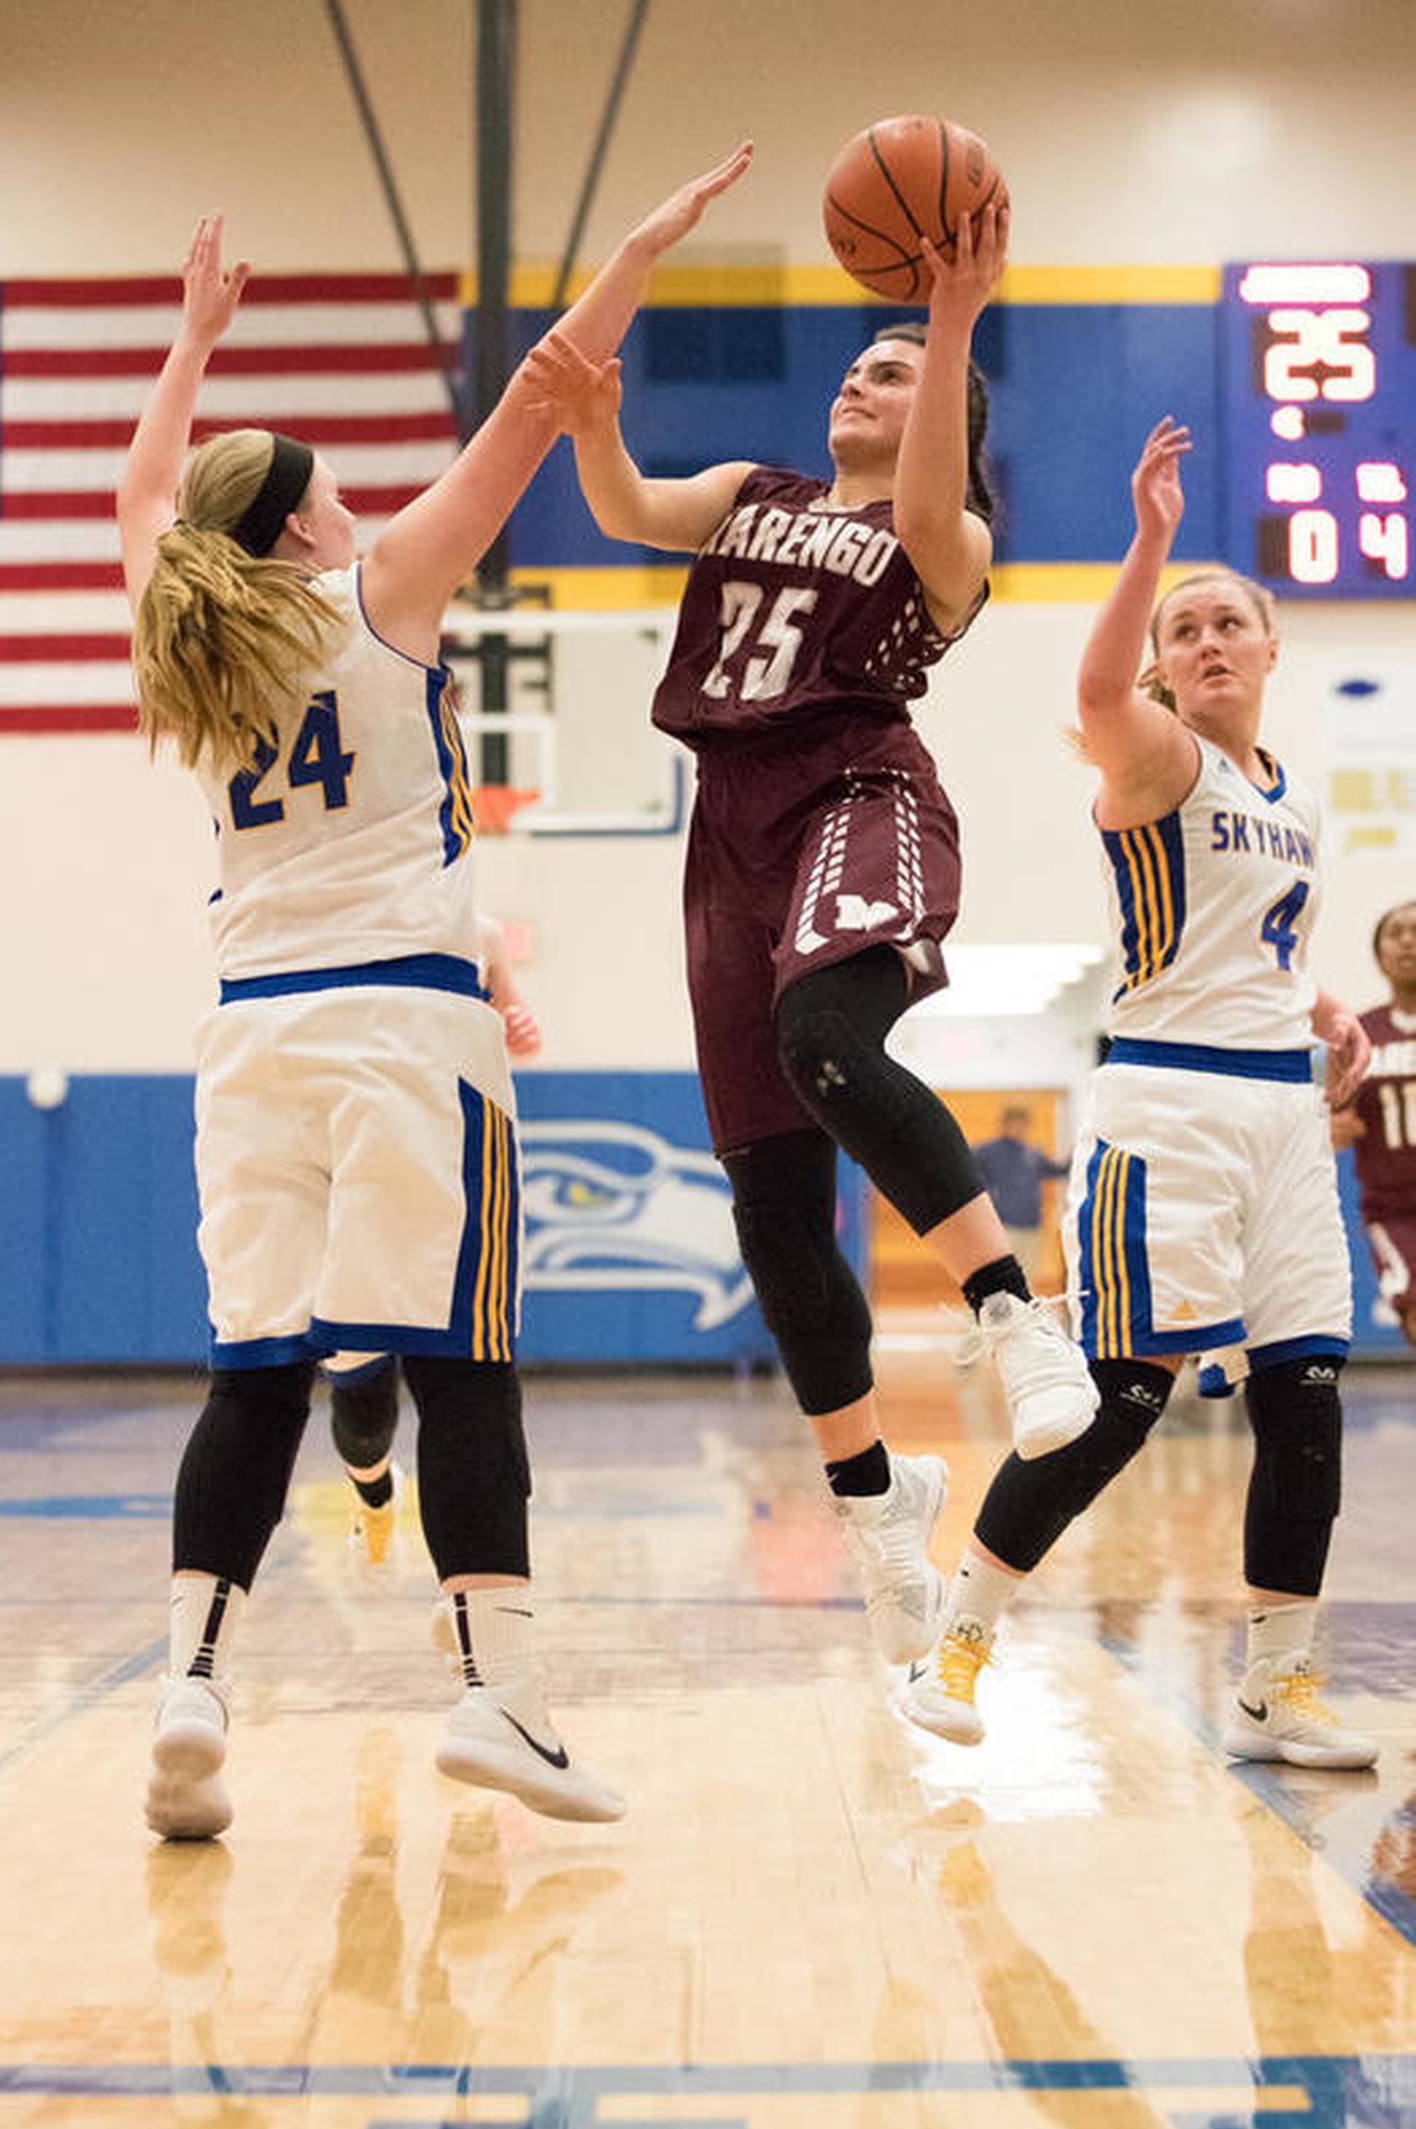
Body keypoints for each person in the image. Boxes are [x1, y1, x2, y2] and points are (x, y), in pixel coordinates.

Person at [118, 148, 752, 1840]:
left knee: (254, 1368)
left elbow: (144, 491)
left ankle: (189, 1678)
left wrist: (188, 344)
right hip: (405, 1021)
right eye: (328, 487)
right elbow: (546, 398)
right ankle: (502, 1696)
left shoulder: (184, 636)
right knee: (465, 1361)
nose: (353, 497)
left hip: (246, 1030)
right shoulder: (380, 590)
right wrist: (641, 243)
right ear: (306, 524)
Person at [525, 206, 1099, 1671]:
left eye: (895, 373)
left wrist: (954, 317)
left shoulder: (953, 535)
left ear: (950, 425)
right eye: (857, 369)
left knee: (825, 1038)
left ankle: (1012, 1317)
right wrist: (597, 422)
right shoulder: (750, 487)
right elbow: (626, 510)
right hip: (725, 825)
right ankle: (871, 1501)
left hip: (854, 783)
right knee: (770, 1198)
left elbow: (924, 517)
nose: (860, 380)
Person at [905, 416, 1378, 1769]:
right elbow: (1101, 690)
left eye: (1230, 623)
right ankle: (963, 1626)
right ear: (1168, 667)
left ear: (1274, 649)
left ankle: (1276, 1684)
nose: (1208, 643)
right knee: (1124, 1397)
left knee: (1307, 1390)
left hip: (1283, 1118)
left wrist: (1321, 1003)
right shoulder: (1155, 761)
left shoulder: (1289, 796)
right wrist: (1150, 547)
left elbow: (1251, 945)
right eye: (1186, 631)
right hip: (1166, 1114)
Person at [332, 913, 543, 1571]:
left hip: (449, 1171)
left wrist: (516, 1023)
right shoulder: (329, 922)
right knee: (364, 1410)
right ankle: (374, 1490)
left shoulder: (475, 932)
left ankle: (473, 1594)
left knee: (465, 1392)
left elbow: (514, 1024)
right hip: (350, 1171)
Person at [1331, 900, 1416, 1349]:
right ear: (1380, 955)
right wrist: (1334, 1129)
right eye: (1396, 932)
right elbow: (1331, 1120)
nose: (1407, 941)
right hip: (1396, 1208)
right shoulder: (1359, 1034)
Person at [971, 1105, 1068, 1282]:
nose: (1019, 1129)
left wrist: (1078, 1155)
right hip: (1003, 1223)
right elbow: (970, 1177)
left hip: (1031, 1223)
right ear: (1004, 1124)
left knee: (1028, 1274)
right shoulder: (985, 1151)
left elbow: (1057, 1170)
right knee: (1001, 1275)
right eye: (1015, 1124)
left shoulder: (1032, 1153)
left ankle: (1024, 1309)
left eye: (1023, 1125)